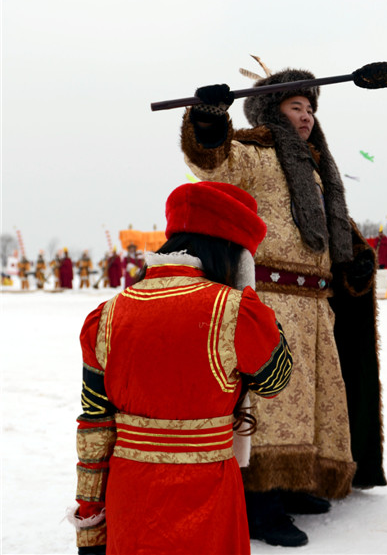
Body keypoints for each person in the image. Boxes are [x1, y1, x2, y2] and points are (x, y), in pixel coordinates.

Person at [181, 64, 386, 545]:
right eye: (298, 106)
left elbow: (339, 234)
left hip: (315, 306)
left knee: (313, 403)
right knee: (271, 406)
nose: (308, 116)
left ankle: (294, 483)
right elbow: (213, 161)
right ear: (273, 109)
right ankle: (260, 503)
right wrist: (208, 121)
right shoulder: (256, 152)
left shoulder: (317, 169)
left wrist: (353, 265)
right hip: (270, 300)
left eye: (311, 108)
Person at [69, 181, 294, 555]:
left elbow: (94, 425)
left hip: (131, 496)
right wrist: (252, 298)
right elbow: (275, 379)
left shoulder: (107, 315)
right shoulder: (237, 312)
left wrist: (90, 520)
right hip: (209, 494)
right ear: (237, 256)